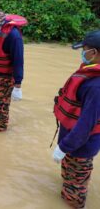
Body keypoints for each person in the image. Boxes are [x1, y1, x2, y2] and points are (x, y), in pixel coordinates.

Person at [52, 30, 100, 209]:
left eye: (85, 49)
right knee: (71, 178)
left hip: (80, 146)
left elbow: (86, 125)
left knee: (75, 193)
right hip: (73, 141)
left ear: (94, 53)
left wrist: (64, 147)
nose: (83, 53)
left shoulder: (96, 85)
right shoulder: (90, 73)